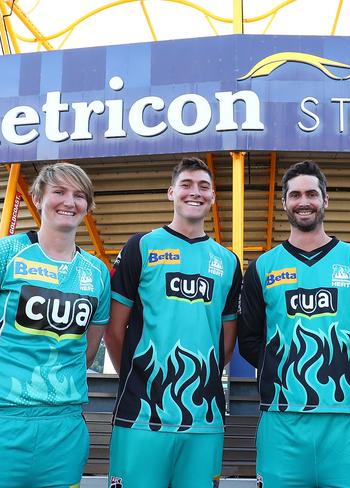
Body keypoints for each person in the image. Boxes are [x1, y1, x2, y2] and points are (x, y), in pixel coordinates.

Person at [0, 162, 111, 488]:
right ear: (38, 197)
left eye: (79, 195)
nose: (69, 202)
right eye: (59, 192)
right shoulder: (1, 256)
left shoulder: (97, 272)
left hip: (63, 432)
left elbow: (85, 352)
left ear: (88, 205)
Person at [238, 160, 350, 488]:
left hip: (349, 419)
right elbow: (248, 338)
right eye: (295, 195)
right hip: (282, 420)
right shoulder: (263, 267)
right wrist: (281, 366)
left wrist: (349, 365)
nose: (303, 201)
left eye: (311, 194)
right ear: (284, 203)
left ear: (325, 200)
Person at [105, 157, 241, 488]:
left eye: (204, 187)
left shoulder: (227, 261)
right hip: (140, 415)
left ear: (212, 198)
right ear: (171, 192)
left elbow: (226, 339)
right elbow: (113, 328)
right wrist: (138, 376)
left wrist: (202, 377)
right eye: (186, 185)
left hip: (203, 417)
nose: (195, 192)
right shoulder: (141, 246)